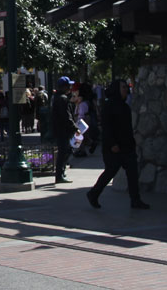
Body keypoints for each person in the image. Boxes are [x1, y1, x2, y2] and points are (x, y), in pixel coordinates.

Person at [87, 79, 150, 210]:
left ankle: (135, 200)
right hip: (114, 147)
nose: (126, 89)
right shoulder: (109, 107)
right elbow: (107, 127)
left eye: (126, 87)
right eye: (123, 87)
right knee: (110, 172)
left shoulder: (124, 106)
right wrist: (112, 144)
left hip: (127, 146)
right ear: (116, 89)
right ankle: (93, 193)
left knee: (132, 173)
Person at [52, 77, 77, 183]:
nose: (70, 87)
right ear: (65, 86)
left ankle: (61, 173)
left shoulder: (57, 97)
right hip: (63, 130)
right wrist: (75, 128)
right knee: (64, 152)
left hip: (60, 129)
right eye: (69, 85)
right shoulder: (62, 99)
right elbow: (67, 116)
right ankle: (59, 175)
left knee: (66, 151)